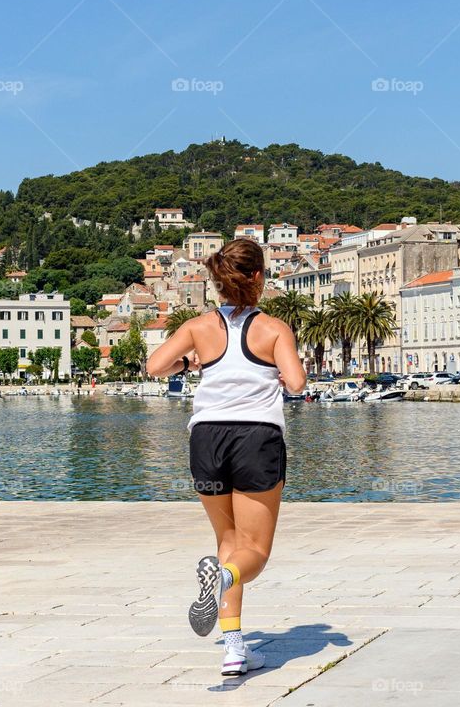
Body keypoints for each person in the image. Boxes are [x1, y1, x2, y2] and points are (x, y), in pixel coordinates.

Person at [147, 238, 306, 677]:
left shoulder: (198, 326)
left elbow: (154, 366)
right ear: (257, 277)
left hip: (207, 438)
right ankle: (223, 579)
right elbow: (295, 383)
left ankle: (234, 648)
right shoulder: (274, 328)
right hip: (256, 438)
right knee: (252, 552)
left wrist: (189, 367)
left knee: (228, 545)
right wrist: (282, 365)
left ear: (218, 281)